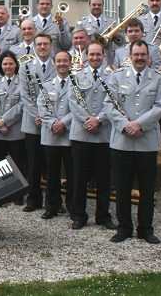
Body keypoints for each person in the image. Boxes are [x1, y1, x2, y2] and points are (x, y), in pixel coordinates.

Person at [102, 40, 161, 244]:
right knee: (122, 188)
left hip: (146, 142)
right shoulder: (117, 77)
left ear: (148, 56)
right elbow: (109, 105)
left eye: (143, 55)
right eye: (136, 54)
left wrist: (138, 124)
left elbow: (159, 107)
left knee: (147, 190)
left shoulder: (158, 79)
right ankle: (124, 228)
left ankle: (145, 229)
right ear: (129, 56)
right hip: (122, 141)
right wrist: (125, 125)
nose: (139, 58)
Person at [68, 42, 115, 230]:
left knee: (104, 178)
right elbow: (73, 102)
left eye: (98, 54)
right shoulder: (77, 76)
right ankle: (79, 215)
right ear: (86, 55)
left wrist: (99, 120)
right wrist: (88, 120)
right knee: (79, 177)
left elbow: (113, 100)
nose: (95, 58)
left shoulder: (112, 77)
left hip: (103, 134)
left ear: (103, 55)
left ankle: (103, 215)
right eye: (92, 54)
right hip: (81, 133)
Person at [18, 33, 54, 212]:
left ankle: (53, 202)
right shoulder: (25, 66)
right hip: (32, 121)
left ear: (51, 45)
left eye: (45, 44)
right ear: (34, 46)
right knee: (33, 164)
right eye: (39, 44)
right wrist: (37, 115)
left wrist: (47, 116)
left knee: (51, 164)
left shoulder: (59, 64)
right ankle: (33, 199)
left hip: (52, 121)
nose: (42, 47)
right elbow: (24, 95)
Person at [37, 51, 74, 220]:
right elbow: (42, 107)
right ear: (54, 63)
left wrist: (63, 123)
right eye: (58, 61)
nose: (61, 64)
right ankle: (52, 206)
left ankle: (73, 206)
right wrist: (53, 123)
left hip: (69, 135)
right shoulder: (46, 85)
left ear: (70, 62)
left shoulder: (76, 84)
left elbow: (79, 108)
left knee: (72, 174)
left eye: (65, 61)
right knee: (52, 174)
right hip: (50, 135)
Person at [0, 51, 26, 202]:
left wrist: (6, 121)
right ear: (0, 66)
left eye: (10, 63)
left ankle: (17, 195)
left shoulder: (22, 83)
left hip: (15, 130)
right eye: (5, 64)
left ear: (16, 65)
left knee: (17, 163)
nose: (8, 66)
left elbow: (22, 104)